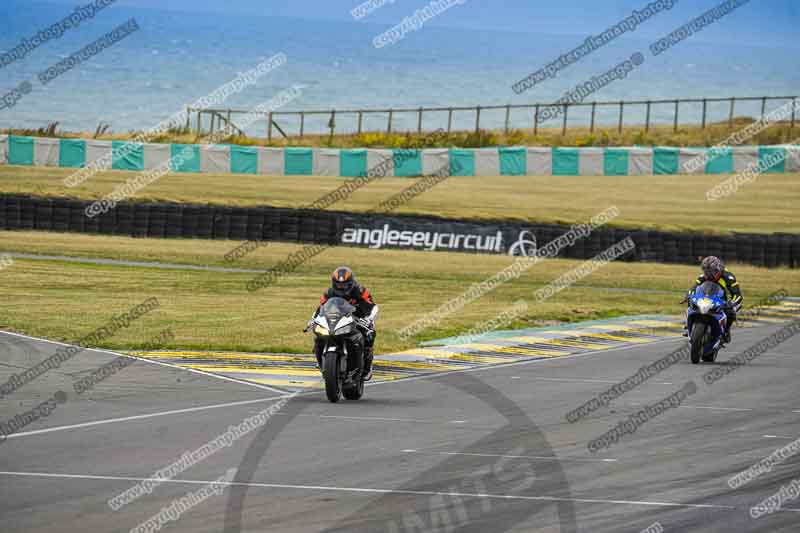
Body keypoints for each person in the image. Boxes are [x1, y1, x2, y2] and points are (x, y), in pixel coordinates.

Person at [311, 266, 379, 380]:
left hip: (358, 318)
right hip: (337, 319)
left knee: (369, 335)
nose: (341, 287)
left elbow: (373, 306)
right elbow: (321, 308)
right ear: (334, 283)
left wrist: (369, 318)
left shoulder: (360, 291)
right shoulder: (329, 293)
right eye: (338, 284)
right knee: (319, 335)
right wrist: (313, 319)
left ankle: (367, 367)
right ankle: (321, 360)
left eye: (344, 284)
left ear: (351, 283)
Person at [684, 256, 742, 343]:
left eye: (711, 272)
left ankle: (726, 331)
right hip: (705, 298)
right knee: (690, 301)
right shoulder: (703, 277)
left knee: (731, 311)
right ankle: (688, 326)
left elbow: (737, 294)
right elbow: (693, 288)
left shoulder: (728, 277)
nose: (708, 274)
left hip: (721, 301)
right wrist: (689, 294)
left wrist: (731, 303)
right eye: (706, 271)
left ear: (718, 269)